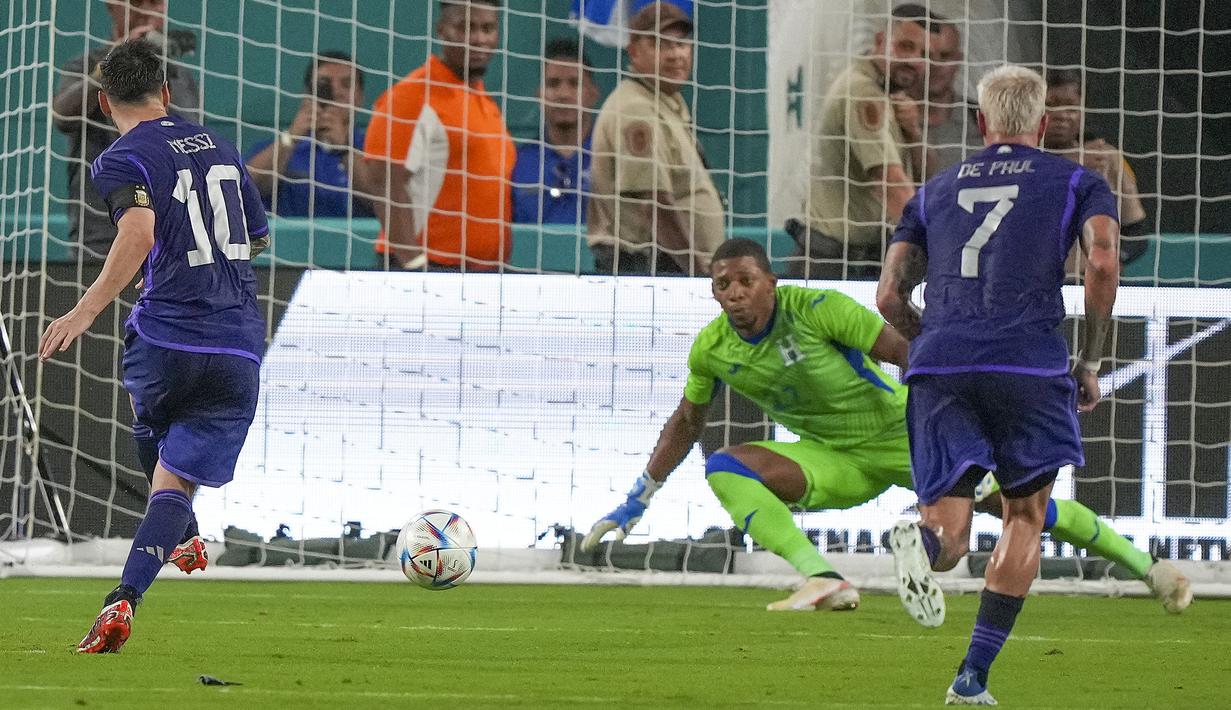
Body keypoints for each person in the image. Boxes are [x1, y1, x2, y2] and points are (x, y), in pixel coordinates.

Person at [581, 238, 1190, 618]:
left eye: (747, 281)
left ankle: (1149, 568)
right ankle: (823, 580)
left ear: (771, 282)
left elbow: (911, 354)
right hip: (834, 461)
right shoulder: (711, 349)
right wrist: (637, 500)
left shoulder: (820, 310)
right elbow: (688, 421)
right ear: (712, 292)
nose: (736, 294)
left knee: (1021, 508)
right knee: (727, 466)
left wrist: (972, 415)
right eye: (723, 284)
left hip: (913, 437)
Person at [876, 65, 1188, 705]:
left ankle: (923, 540)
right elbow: (1102, 261)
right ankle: (971, 680)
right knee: (1024, 514)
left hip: (942, 358)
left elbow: (887, 294)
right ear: (1043, 124)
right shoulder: (1077, 179)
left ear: (981, 122)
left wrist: (931, 339)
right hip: (1027, 361)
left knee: (951, 534)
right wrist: (1091, 360)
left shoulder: (933, 188)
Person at [39, 40, 269, 653]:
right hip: (239, 342)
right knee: (176, 478)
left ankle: (168, 549)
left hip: (166, 334)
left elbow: (138, 231)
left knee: (151, 417)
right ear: (166, 94)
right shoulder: (219, 145)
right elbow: (257, 237)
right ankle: (136, 585)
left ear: (103, 99)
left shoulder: (120, 157)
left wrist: (84, 309)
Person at [360, 0, 514, 271]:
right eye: (466, 27)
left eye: (488, 28)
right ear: (442, 29)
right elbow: (385, 184)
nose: (479, 38)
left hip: (483, 274)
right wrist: (415, 266)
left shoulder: (484, 101)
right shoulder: (413, 96)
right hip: (426, 270)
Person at [791, 3, 938, 280]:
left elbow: (922, 179)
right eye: (906, 46)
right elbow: (890, 183)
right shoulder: (862, 92)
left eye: (925, 54)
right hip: (833, 263)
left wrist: (914, 134)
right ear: (881, 41)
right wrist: (934, 244)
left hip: (854, 257)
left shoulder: (886, 94)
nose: (916, 61)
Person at [52, 0, 200, 261]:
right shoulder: (85, 65)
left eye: (156, 4)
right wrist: (114, 63)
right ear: (113, 7)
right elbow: (62, 117)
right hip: (99, 228)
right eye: (138, 3)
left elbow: (186, 136)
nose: (148, 12)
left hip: (165, 230)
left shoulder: (176, 75)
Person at [586, 1, 725, 276]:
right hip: (646, 266)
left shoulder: (664, 101)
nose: (676, 55)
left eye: (682, 44)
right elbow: (656, 206)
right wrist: (699, 277)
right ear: (634, 51)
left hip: (665, 265)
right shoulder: (636, 109)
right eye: (662, 44)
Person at [1043, 69, 1152, 269]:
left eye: (1071, 107)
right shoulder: (1020, 160)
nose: (1061, 115)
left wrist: (1108, 261)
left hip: (1091, 282)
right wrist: (1069, 163)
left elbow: (1137, 233)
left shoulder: (1106, 157)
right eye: (1050, 105)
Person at [244, 51, 375, 218]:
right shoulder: (279, 148)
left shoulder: (374, 149)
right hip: (292, 243)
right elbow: (243, 189)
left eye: (346, 84)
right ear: (308, 93)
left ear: (360, 97)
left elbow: (384, 201)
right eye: (324, 84)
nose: (336, 92)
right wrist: (291, 138)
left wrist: (344, 150)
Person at [511, 37, 598, 225]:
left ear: (593, 94)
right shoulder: (518, 162)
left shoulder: (612, 159)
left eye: (575, 84)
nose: (563, 94)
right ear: (539, 94)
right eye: (553, 83)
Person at [898, 19, 983, 177]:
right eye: (926, 55)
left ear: (958, 60)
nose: (935, 66)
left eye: (945, 56)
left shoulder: (982, 120)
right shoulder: (893, 116)